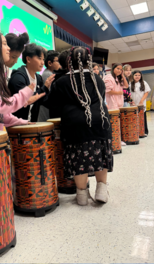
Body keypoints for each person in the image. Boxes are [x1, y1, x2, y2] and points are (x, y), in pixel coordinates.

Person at [46, 46, 113, 205]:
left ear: (68, 61)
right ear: (88, 61)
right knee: (100, 155)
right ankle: (101, 190)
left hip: (74, 125)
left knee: (79, 158)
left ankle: (82, 195)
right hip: (100, 122)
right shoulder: (97, 79)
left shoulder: (61, 81)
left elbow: (53, 107)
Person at [8, 43, 49, 122]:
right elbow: (24, 100)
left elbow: (42, 101)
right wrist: (44, 88)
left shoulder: (39, 78)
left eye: (43, 60)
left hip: (30, 124)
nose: (42, 63)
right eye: (39, 58)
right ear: (28, 59)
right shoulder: (18, 77)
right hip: (16, 125)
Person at [104, 63, 127, 145]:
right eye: (118, 68)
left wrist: (123, 75)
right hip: (112, 103)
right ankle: (114, 140)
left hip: (118, 103)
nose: (119, 70)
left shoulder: (118, 78)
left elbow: (126, 86)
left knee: (117, 122)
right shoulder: (109, 77)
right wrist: (118, 93)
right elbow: (107, 90)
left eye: (121, 69)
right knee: (113, 123)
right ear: (113, 68)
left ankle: (117, 139)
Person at [37, 50, 60, 122]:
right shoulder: (48, 75)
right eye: (58, 61)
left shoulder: (48, 73)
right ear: (49, 63)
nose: (60, 63)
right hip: (47, 111)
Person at [130, 70, 150, 136]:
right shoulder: (130, 83)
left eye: (139, 75)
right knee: (134, 118)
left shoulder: (144, 83)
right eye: (136, 75)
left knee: (142, 118)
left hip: (141, 104)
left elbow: (146, 92)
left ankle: (144, 132)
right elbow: (129, 94)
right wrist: (131, 101)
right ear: (133, 76)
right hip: (133, 104)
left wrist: (142, 101)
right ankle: (136, 132)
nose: (137, 76)